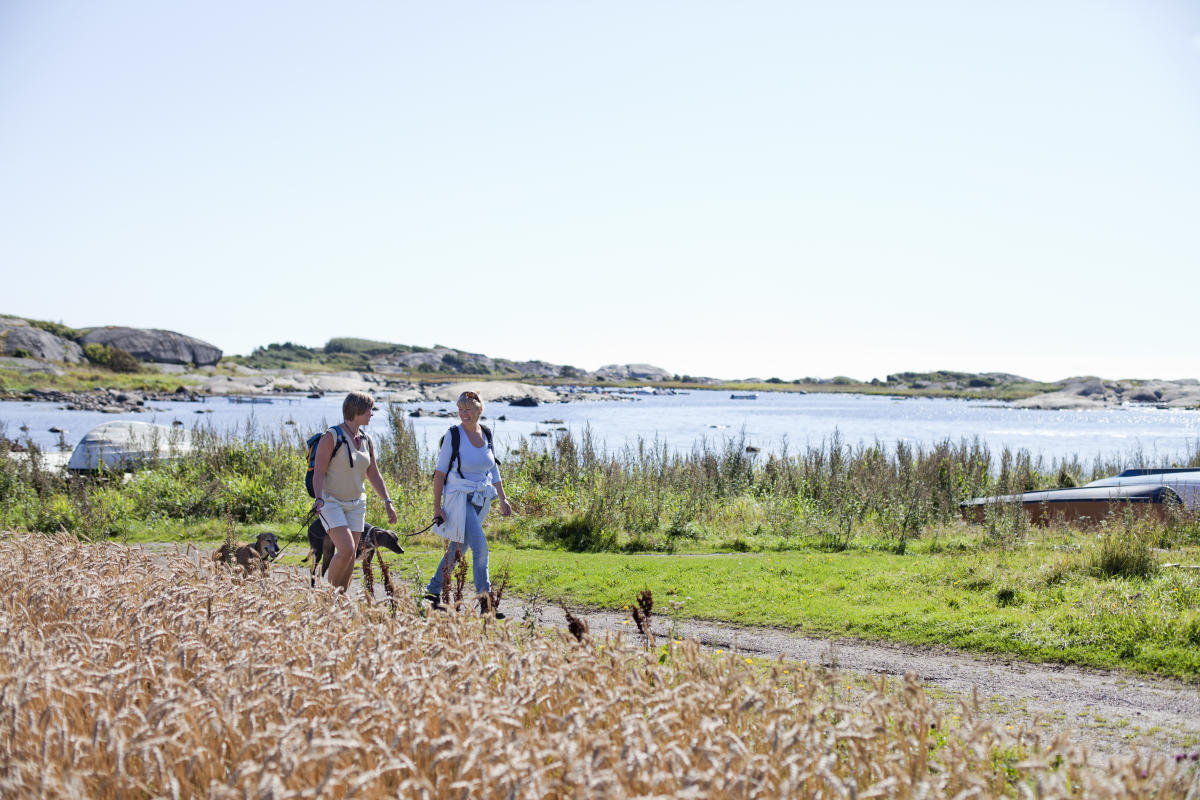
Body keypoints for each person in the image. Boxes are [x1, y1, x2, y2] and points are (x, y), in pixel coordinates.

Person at [425, 390, 513, 615]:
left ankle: (432, 593)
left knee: (458, 548)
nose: (463, 414)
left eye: (468, 409)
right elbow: (439, 473)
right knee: (480, 546)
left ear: (479, 410)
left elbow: (493, 468)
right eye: (460, 409)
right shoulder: (453, 435)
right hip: (458, 498)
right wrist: (437, 507)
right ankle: (486, 603)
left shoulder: (487, 434)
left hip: (480, 498)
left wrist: (502, 498)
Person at [310, 391, 397, 593]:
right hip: (331, 502)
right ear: (357, 410)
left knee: (351, 555)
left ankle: (339, 598)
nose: (372, 414)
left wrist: (387, 501)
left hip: (357, 503)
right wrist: (319, 499)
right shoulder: (331, 436)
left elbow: (373, 473)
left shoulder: (366, 439)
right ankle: (327, 595)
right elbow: (319, 472)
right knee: (347, 549)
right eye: (370, 409)